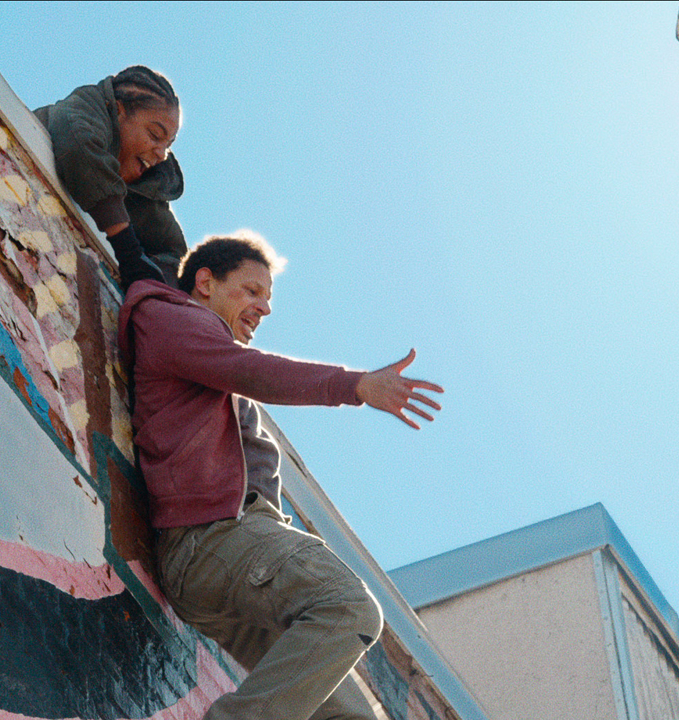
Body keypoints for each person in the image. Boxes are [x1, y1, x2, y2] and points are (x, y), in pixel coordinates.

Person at [118, 233, 444, 720]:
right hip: (211, 541)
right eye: (252, 291)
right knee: (348, 606)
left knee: (348, 714)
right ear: (204, 282)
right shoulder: (172, 320)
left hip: (230, 566)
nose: (264, 308)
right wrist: (354, 385)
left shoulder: (211, 361)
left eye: (268, 297)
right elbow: (258, 372)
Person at [34, 66, 185, 288]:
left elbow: (172, 251)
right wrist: (128, 251)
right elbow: (79, 148)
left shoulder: (149, 189)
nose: (161, 154)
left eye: (168, 146)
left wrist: (154, 289)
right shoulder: (83, 108)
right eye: (155, 135)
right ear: (118, 110)